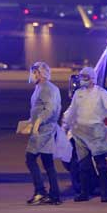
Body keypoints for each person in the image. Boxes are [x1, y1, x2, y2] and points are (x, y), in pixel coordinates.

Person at [62, 66, 107, 203]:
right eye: (81, 77)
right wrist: (65, 125)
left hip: (96, 131)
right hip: (79, 132)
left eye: (85, 77)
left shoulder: (101, 93)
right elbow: (72, 111)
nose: (82, 80)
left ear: (93, 79)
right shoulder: (78, 94)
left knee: (101, 164)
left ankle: (104, 193)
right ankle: (84, 193)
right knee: (83, 164)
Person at [24, 61, 62, 205]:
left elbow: (50, 108)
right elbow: (38, 108)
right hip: (41, 128)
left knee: (30, 158)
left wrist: (39, 121)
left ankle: (40, 191)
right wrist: (30, 121)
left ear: (41, 73)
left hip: (43, 130)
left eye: (35, 72)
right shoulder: (40, 87)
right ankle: (55, 194)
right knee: (47, 162)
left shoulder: (47, 88)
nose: (32, 75)